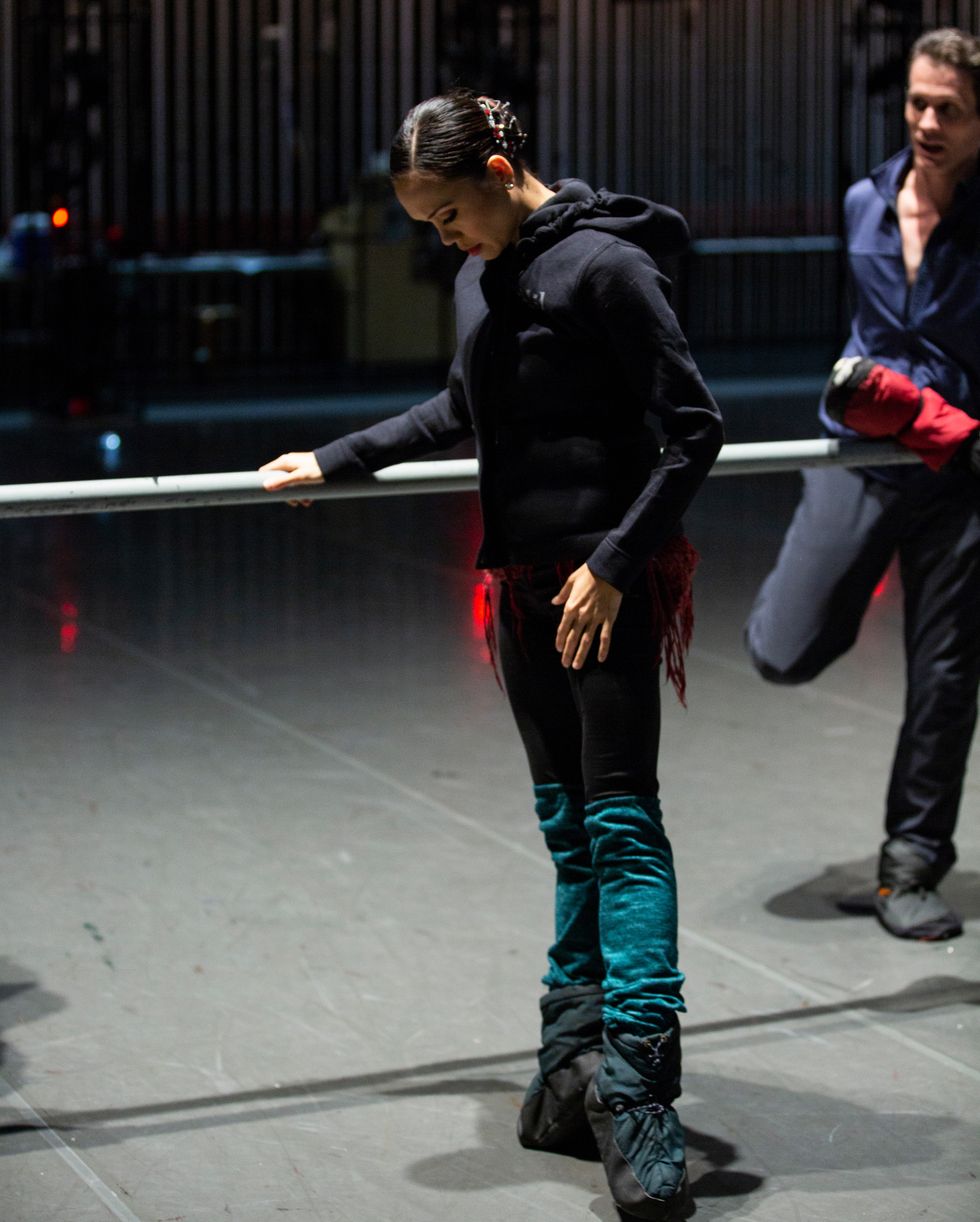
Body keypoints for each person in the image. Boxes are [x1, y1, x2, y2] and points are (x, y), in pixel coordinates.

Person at [261, 90, 722, 1219]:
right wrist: (332, 458)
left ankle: (643, 1090)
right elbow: (456, 407)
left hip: (598, 593)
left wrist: (613, 564)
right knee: (569, 831)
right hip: (519, 591)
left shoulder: (609, 268)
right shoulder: (483, 275)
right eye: (426, 220)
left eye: (449, 212)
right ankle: (574, 1056)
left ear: (503, 167)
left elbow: (694, 430)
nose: (441, 238)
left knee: (620, 829)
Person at [745, 28, 980, 942]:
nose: (925, 121)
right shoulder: (863, 204)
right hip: (863, 456)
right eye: (918, 103)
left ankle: (911, 866)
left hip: (960, 476)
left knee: (946, 675)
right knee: (783, 647)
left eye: (948, 110)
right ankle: (833, 599)